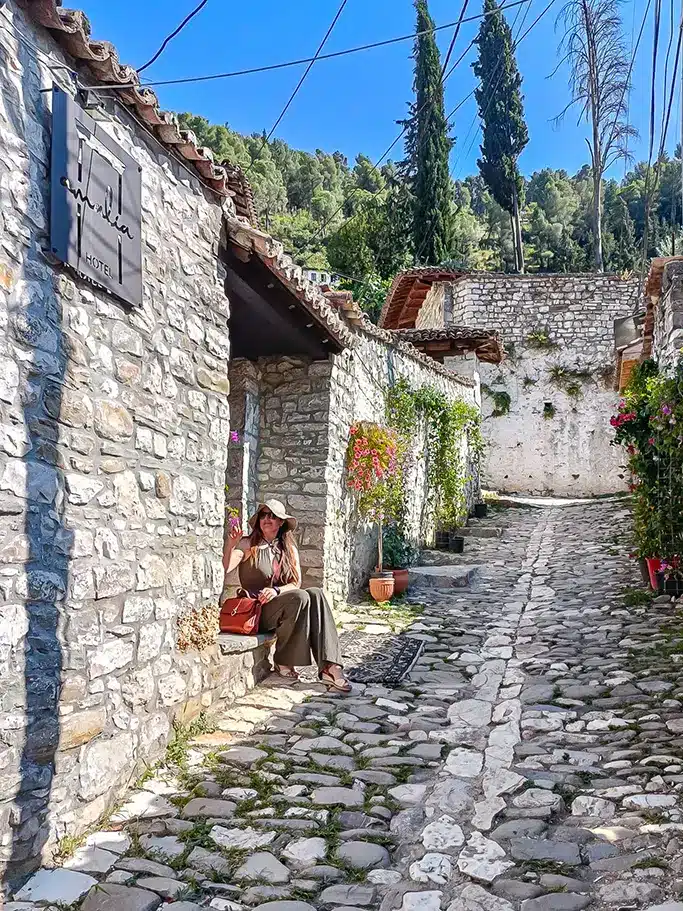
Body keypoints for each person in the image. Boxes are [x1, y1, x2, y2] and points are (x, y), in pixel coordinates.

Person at [222, 498, 351, 693]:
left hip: (279, 603)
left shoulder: (288, 548)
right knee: (300, 597)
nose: (267, 519)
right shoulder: (248, 544)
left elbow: (295, 582)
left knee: (315, 593)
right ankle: (283, 661)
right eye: (264, 515)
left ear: (281, 522)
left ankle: (330, 666)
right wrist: (231, 544)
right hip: (256, 611)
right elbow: (226, 567)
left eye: (273, 516)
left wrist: (276, 591)